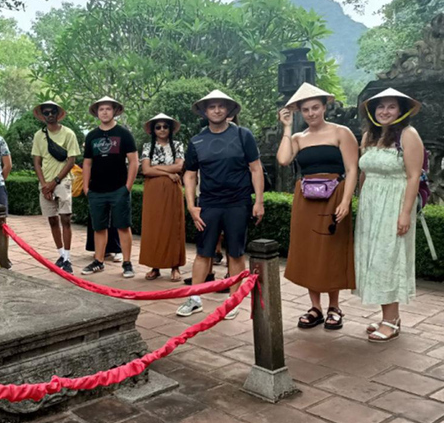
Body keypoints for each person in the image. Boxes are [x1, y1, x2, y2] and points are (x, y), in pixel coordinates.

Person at [276, 83, 358, 330]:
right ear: (300, 112)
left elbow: (352, 168)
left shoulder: (341, 132)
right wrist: (287, 128)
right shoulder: (298, 138)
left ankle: (334, 306)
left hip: (335, 194)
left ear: (325, 107)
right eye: (306, 109)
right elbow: (283, 159)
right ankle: (316, 308)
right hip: (306, 198)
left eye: (315, 108)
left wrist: (346, 201)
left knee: (331, 249)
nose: (311, 113)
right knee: (310, 250)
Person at [178, 90, 265, 319]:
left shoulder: (242, 135)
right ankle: (195, 298)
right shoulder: (197, 141)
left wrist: (259, 201)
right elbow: (189, 174)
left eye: (221, 106)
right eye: (212, 107)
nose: (217, 110)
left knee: (235, 252)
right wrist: (191, 205)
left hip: (238, 202)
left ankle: (233, 300)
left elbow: (255, 168)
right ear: (205, 111)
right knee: (203, 252)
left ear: (228, 110)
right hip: (209, 203)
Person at [355, 88, 425, 342]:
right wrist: (362, 202)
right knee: (373, 258)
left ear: (401, 110)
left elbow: (413, 176)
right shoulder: (369, 136)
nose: (384, 111)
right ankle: (388, 316)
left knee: (389, 258)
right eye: (380, 107)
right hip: (371, 206)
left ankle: (391, 320)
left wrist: (405, 213)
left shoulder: (408, 135)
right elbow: (364, 172)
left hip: (394, 203)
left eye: (391, 106)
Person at [81, 96, 139, 278]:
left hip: (118, 189)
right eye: (101, 109)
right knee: (99, 227)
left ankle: (127, 263)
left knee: (123, 226)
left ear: (114, 111)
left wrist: (127, 187)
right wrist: (85, 187)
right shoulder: (91, 136)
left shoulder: (124, 134)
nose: (104, 112)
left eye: (107, 109)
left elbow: (134, 162)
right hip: (96, 190)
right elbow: (87, 163)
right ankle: (99, 261)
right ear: (97, 112)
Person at [31, 101, 81, 274]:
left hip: (63, 181)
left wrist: (55, 182)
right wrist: (44, 184)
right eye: (46, 112)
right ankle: (60, 254)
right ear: (42, 115)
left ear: (58, 114)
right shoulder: (39, 135)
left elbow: (71, 160)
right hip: (45, 184)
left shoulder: (68, 134)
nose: (50, 115)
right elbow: (37, 161)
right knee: (52, 219)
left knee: (65, 218)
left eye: (53, 112)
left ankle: (68, 257)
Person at [140, 113, 186, 281]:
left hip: (172, 190)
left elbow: (179, 166)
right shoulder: (147, 147)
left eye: (165, 126)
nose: (162, 130)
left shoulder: (178, 145)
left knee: (174, 226)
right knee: (154, 227)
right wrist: (168, 173)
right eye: (158, 127)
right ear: (153, 130)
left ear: (170, 129)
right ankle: (155, 266)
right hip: (153, 191)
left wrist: (157, 168)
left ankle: (175, 266)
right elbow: (146, 170)